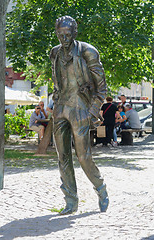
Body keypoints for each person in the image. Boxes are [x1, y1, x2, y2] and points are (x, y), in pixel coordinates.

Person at [50, 16, 108, 215]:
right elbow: (58, 80)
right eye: (60, 35)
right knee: (62, 157)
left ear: (74, 33)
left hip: (81, 108)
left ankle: (100, 188)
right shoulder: (55, 53)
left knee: (83, 157)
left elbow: (101, 87)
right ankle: (71, 201)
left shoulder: (87, 52)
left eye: (67, 35)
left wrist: (93, 110)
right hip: (60, 109)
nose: (64, 39)